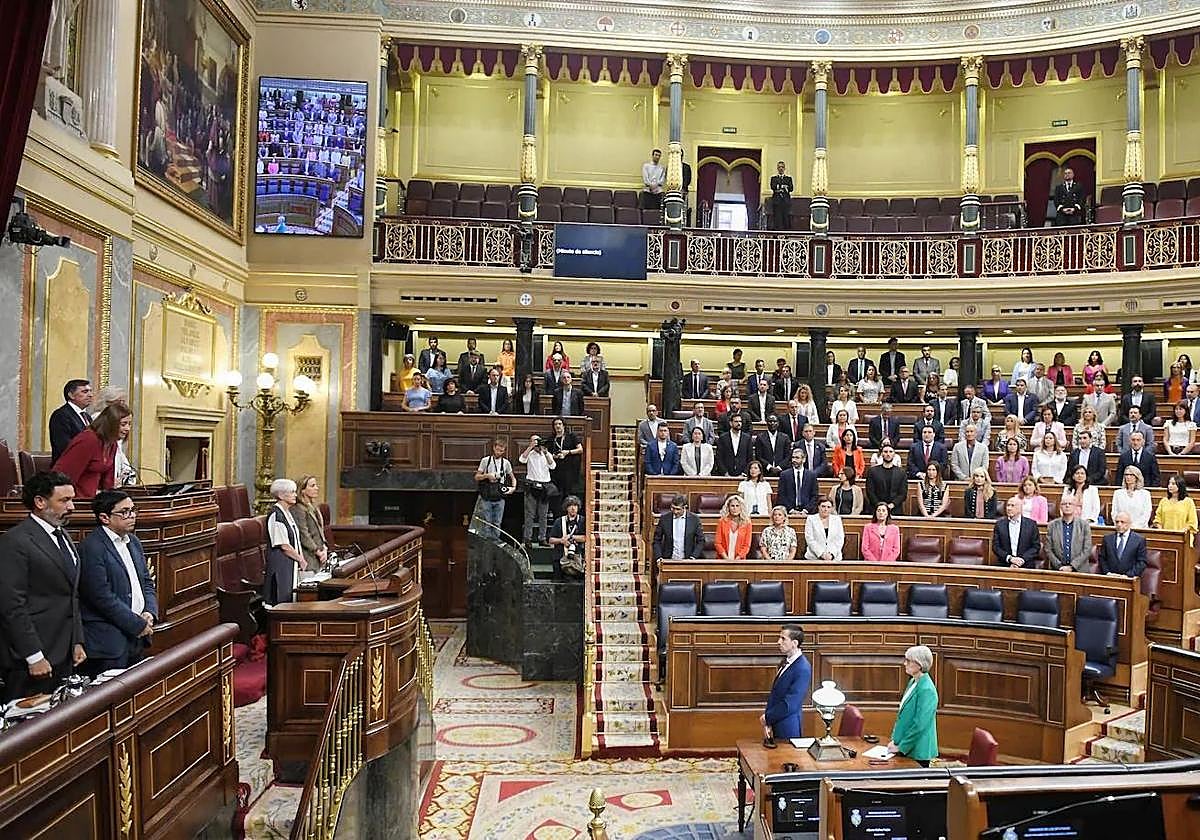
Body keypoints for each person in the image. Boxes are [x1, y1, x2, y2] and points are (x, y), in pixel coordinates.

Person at [0, 471, 86, 700]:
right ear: (40, 502)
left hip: (64, 652)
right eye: (64, 500)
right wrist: (33, 655)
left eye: (72, 499)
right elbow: (11, 606)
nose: (72, 507)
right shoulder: (16, 542)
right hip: (33, 659)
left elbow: (72, 595)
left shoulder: (63, 536)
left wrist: (77, 640)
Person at [77, 490, 157, 675]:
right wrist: (136, 624)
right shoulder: (92, 547)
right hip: (110, 643)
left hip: (137, 636)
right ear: (105, 517)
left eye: (133, 510)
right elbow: (101, 597)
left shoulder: (133, 542)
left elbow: (146, 581)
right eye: (125, 512)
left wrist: (149, 612)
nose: (132, 516)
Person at [53, 403, 132, 498]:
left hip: (95, 500)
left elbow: (108, 481)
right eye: (123, 424)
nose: (127, 428)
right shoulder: (88, 440)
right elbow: (64, 476)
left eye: (129, 424)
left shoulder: (111, 443)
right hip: (76, 501)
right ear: (110, 423)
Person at [887, 646, 939, 766]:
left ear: (919, 665)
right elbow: (903, 715)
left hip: (918, 751)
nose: (905, 663)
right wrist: (895, 740)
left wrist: (901, 747)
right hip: (905, 747)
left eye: (908, 661)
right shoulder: (913, 682)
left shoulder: (927, 690)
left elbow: (920, 725)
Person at [761, 624, 812, 745]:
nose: (779, 642)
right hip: (778, 721)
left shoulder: (802, 668)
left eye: (783, 639)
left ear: (794, 643)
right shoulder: (785, 662)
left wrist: (768, 718)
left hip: (788, 727)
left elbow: (791, 704)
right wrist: (769, 720)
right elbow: (776, 694)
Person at [264, 478, 304, 605]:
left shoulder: (287, 513)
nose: (295, 495)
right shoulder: (276, 514)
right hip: (281, 566)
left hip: (290, 565)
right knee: (281, 600)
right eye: (292, 492)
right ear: (281, 495)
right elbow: (284, 545)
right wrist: (301, 559)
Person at [520, 435, 556, 546]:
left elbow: (553, 466)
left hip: (545, 487)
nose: (537, 444)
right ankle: (528, 538)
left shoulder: (547, 454)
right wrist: (530, 447)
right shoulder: (529, 454)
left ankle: (542, 538)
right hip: (532, 485)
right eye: (534, 441)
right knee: (529, 514)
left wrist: (545, 453)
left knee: (543, 515)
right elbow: (522, 459)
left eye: (538, 441)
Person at [49, 379, 94, 463]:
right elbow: (65, 446)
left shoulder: (87, 417)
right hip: (67, 468)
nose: (90, 395)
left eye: (90, 391)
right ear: (71, 395)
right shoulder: (61, 415)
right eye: (85, 392)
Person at [474, 438, 516, 529]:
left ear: (504, 451)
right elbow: (477, 477)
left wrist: (513, 488)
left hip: (499, 496)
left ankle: (495, 541)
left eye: (501, 451)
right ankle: (487, 542)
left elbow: (513, 477)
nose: (499, 453)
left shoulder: (506, 463)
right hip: (487, 495)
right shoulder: (485, 460)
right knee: (487, 522)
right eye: (497, 450)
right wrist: (487, 475)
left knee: (497, 522)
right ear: (494, 448)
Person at [1045, 496, 1093, 572]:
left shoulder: (1084, 525)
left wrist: (1072, 566)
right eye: (1064, 504)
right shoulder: (1052, 525)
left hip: (1080, 570)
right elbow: (1048, 549)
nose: (1067, 506)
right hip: (1057, 570)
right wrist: (1059, 566)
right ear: (1060, 507)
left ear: (1075, 507)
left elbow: (1087, 549)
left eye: (1070, 504)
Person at [992, 496, 1042, 568]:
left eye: (1012, 505)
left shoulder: (1031, 524)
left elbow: (1035, 547)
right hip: (1005, 565)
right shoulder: (999, 524)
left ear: (1020, 508)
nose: (1009, 508)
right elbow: (996, 547)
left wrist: (1022, 560)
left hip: (1026, 565)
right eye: (1008, 505)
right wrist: (1010, 559)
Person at [653, 494, 705, 560]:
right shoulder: (664, 519)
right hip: (668, 560)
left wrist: (693, 557)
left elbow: (701, 540)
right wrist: (659, 557)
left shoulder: (694, 519)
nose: (675, 511)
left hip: (688, 560)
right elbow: (656, 540)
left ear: (685, 507)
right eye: (673, 508)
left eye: (678, 509)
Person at [293, 475, 328, 572]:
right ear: (302, 490)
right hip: (309, 555)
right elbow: (304, 534)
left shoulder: (313, 507)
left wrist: (324, 547)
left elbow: (320, 529)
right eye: (312, 486)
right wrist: (318, 551)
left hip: (320, 553)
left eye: (316, 485)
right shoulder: (298, 509)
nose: (316, 488)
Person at [1098, 512, 1148, 577]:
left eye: (1122, 522)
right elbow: (1102, 559)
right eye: (1117, 522)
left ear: (1129, 523)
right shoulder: (1107, 539)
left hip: (1129, 580)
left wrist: (1128, 575)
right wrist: (1107, 573)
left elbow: (1142, 562)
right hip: (1110, 578)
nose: (1119, 524)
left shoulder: (1139, 540)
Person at [547, 417, 584, 506]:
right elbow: (547, 453)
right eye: (555, 424)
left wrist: (568, 452)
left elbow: (580, 449)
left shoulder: (571, 436)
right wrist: (554, 456)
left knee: (568, 492)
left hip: (569, 469)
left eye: (559, 424)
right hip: (556, 470)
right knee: (557, 494)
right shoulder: (551, 438)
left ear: (564, 426)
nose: (557, 426)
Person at [548, 495, 586, 577]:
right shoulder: (559, 521)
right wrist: (561, 541)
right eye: (570, 506)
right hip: (560, 557)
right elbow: (551, 540)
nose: (573, 508)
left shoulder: (583, 521)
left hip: (578, 558)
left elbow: (586, 538)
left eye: (575, 506)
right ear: (566, 508)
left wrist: (571, 537)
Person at [867, 443, 907, 515]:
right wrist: (880, 506)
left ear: (894, 454)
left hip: (895, 510)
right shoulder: (872, 471)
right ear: (881, 454)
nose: (888, 454)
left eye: (890, 452)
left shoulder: (901, 472)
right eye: (885, 452)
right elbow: (870, 492)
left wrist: (892, 505)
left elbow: (903, 493)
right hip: (877, 510)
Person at [1153, 474, 1198, 538]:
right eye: (1169, 483)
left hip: (1183, 536)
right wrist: (1161, 531)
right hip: (1165, 536)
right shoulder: (1164, 501)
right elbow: (1158, 518)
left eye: (1173, 484)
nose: (1170, 486)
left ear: (1180, 486)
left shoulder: (1188, 501)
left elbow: (1192, 522)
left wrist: (1180, 533)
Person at [778, 447, 818, 515]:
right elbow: (782, 495)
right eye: (793, 457)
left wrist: (806, 510)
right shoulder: (784, 475)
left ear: (804, 459)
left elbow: (814, 496)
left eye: (797, 458)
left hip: (807, 512)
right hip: (788, 512)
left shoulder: (811, 475)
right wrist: (791, 510)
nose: (794, 460)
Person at [715, 495, 753, 560]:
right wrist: (726, 559)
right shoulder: (722, 522)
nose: (735, 508)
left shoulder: (747, 523)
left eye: (737, 506)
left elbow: (746, 546)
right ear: (728, 508)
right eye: (732, 506)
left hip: (740, 561)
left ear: (741, 507)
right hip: (722, 560)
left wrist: (737, 560)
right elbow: (718, 543)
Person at [716, 413, 753, 477]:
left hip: (742, 475)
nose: (739, 423)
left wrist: (744, 473)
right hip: (726, 475)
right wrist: (725, 473)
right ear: (730, 423)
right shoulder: (723, 438)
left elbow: (749, 458)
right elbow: (719, 457)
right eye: (736, 421)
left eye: (740, 421)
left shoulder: (747, 438)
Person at [769, 160, 794, 230]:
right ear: (777, 168)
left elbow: (791, 188)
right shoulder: (773, 178)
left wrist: (779, 187)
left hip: (786, 202)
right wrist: (784, 187)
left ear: (784, 168)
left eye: (782, 167)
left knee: (786, 218)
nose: (781, 168)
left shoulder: (788, 178)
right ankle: (777, 235)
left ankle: (786, 235)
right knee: (777, 218)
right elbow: (773, 186)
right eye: (779, 167)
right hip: (776, 202)